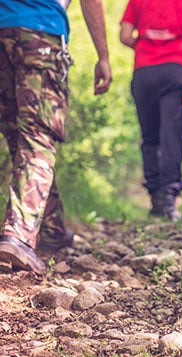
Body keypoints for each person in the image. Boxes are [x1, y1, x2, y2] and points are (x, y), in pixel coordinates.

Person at [0, 0, 112, 275]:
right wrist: (104, 57)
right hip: (40, 33)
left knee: (19, 137)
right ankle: (19, 236)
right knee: (37, 139)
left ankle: (52, 228)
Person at [119, 0, 182, 222]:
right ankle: (169, 197)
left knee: (150, 135)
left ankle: (155, 197)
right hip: (176, 68)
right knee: (172, 134)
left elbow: (124, 36)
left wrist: (144, 46)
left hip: (145, 71)